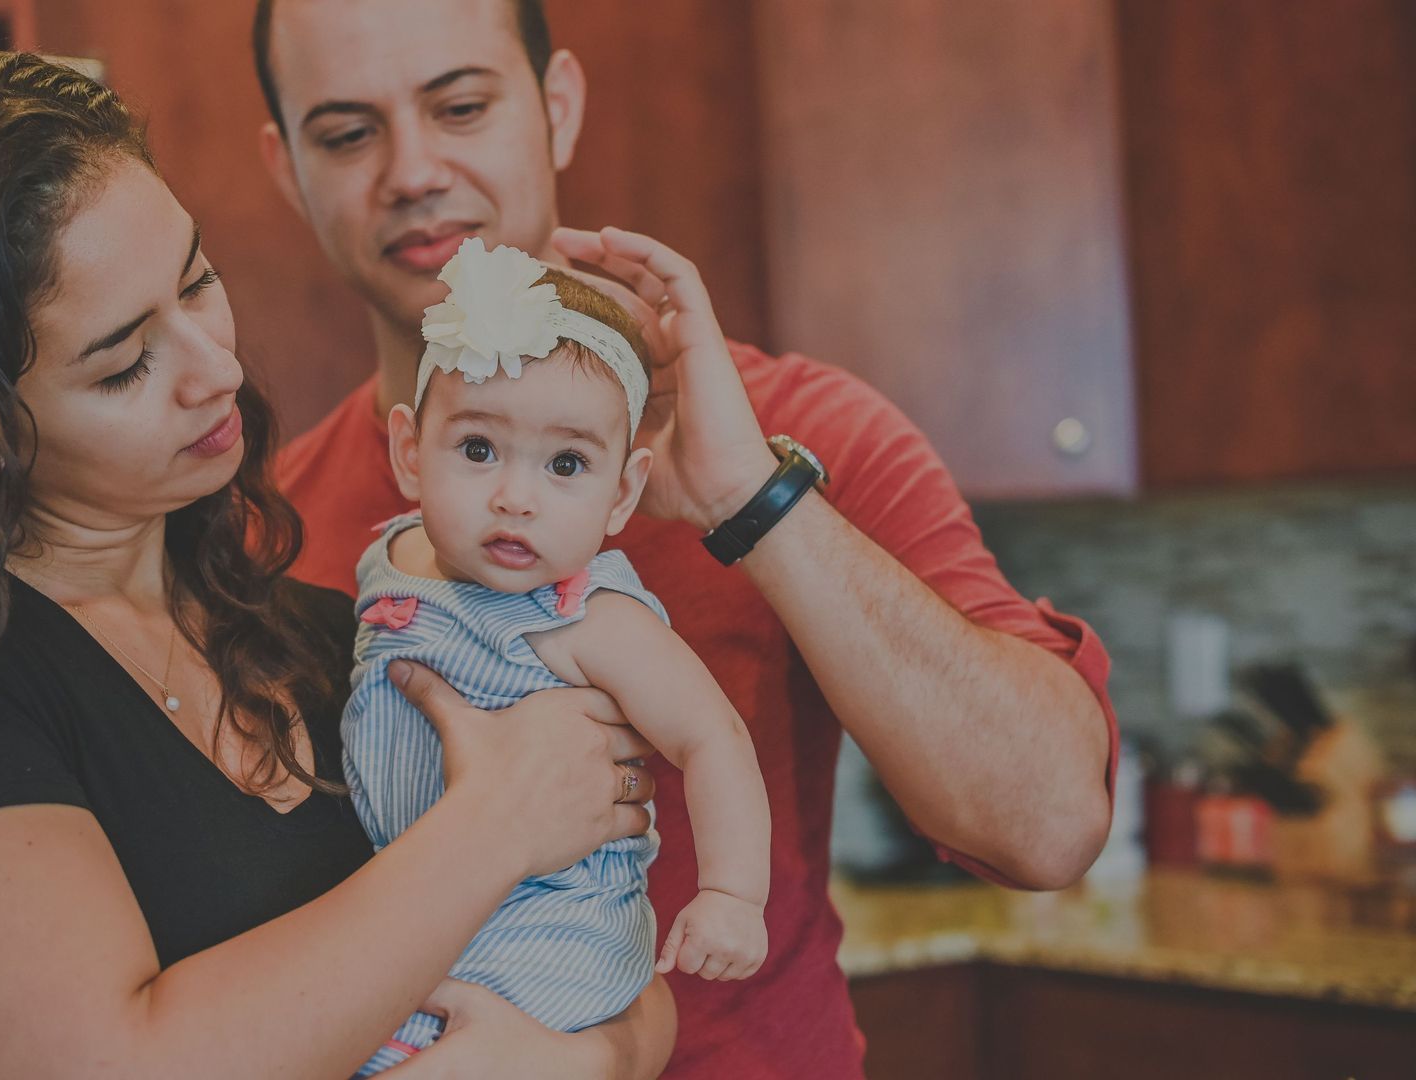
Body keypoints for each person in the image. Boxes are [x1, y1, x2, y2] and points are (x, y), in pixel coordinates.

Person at [0, 53, 677, 1080]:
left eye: (198, 281)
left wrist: (585, 1057)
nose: (215, 367)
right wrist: (491, 824)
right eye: (125, 363)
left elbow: (610, 940)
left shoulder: (335, 633)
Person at [252, 1, 1120, 1074]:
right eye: (346, 133)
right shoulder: (261, 530)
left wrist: (747, 497)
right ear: (288, 170)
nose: (413, 169)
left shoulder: (811, 439)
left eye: (462, 105)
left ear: (558, 108)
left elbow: (1047, 824)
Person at [345, 240, 771, 1074]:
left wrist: (732, 895)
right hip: (425, 913)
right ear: (408, 450)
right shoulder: (389, 559)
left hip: (552, 931)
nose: (516, 495)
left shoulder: (589, 618)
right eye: (476, 449)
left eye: (566, 464)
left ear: (622, 492)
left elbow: (712, 735)